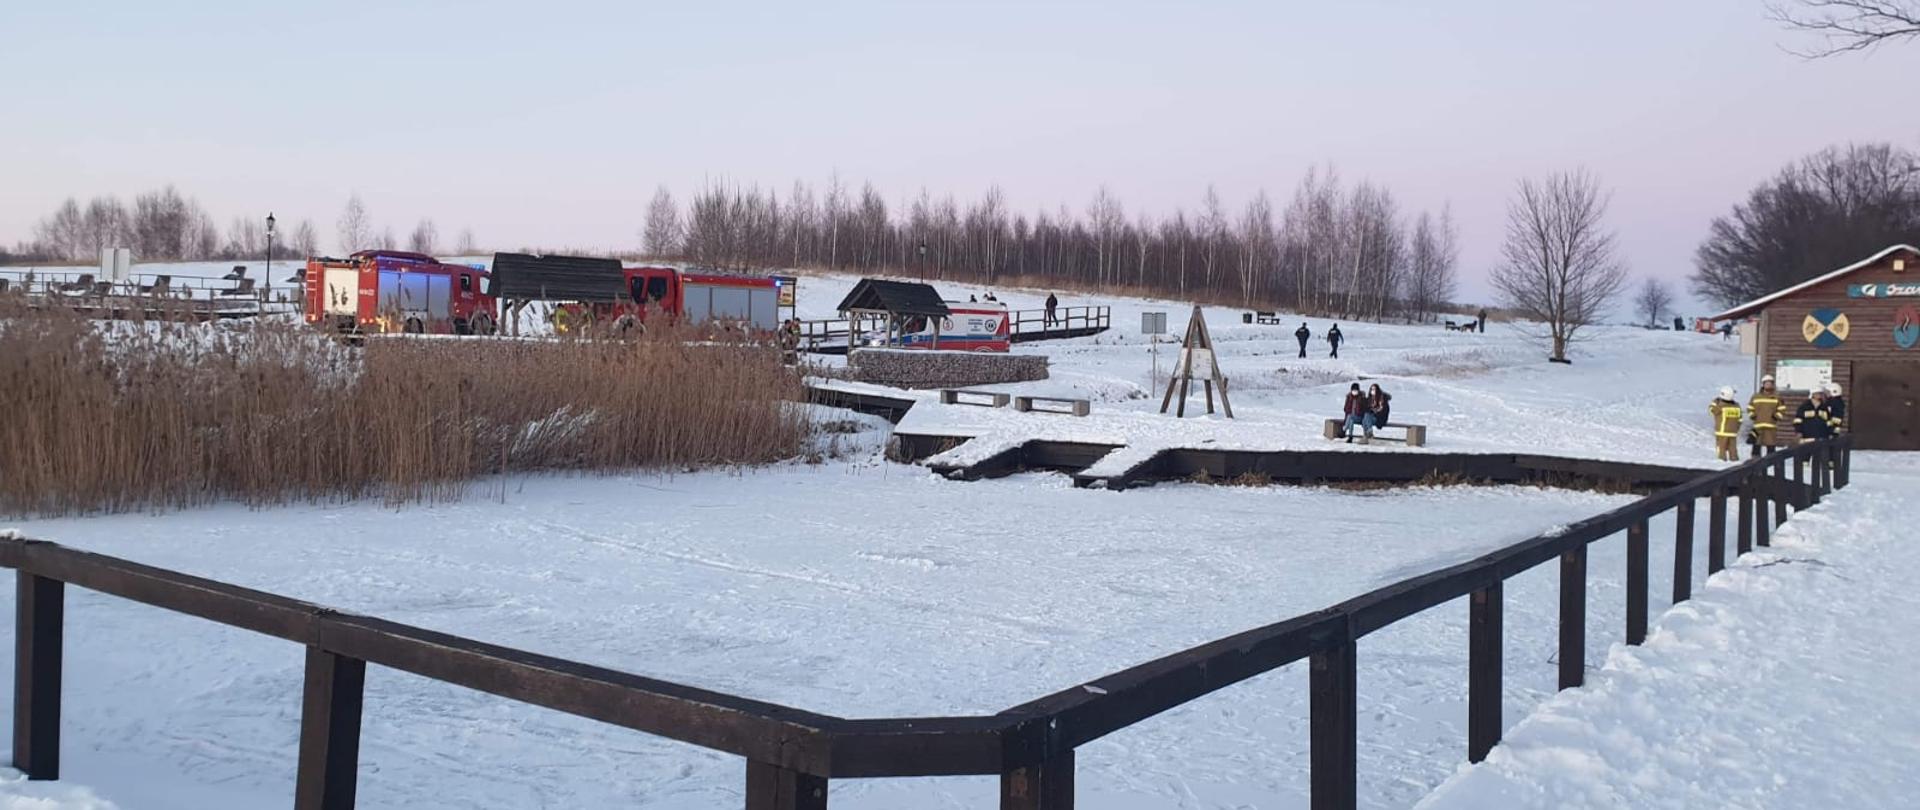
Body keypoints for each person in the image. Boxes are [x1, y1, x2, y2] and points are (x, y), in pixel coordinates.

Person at [1746, 375, 1781, 458]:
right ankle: (1755, 460)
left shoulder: (1777, 397)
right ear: (1763, 384)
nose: (1768, 385)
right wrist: (1752, 416)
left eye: (1770, 383)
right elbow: (1750, 407)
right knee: (1756, 444)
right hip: (1758, 425)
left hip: (1771, 426)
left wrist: (1776, 417)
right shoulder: (1756, 396)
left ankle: (1771, 459)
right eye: (1766, 383)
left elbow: (1782, 409)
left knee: (1771, 444)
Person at [1710, 386, 1743, 462]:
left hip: (1722, 432)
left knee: (1721, 449)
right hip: (1733, 432)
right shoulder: (1737, 406)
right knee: (1733, 450)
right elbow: (1740, 419)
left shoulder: (1721, 406)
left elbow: (1711, 410)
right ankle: (1735, 462)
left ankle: (1721, 463)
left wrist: (1714, 403)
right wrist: (1736, 428)